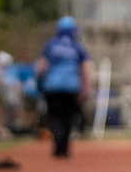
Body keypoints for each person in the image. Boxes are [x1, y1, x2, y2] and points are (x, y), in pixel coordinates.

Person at [35, 17, 93, 158]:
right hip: (71, 87)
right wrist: (87, 88)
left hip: (52, 87)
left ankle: (58, 142)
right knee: (68, 117)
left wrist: (39, 83)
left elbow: (41, 67)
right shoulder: (77, 47)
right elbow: (87, 68)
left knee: (54, 116)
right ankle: (64, 146)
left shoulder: (51, 45)